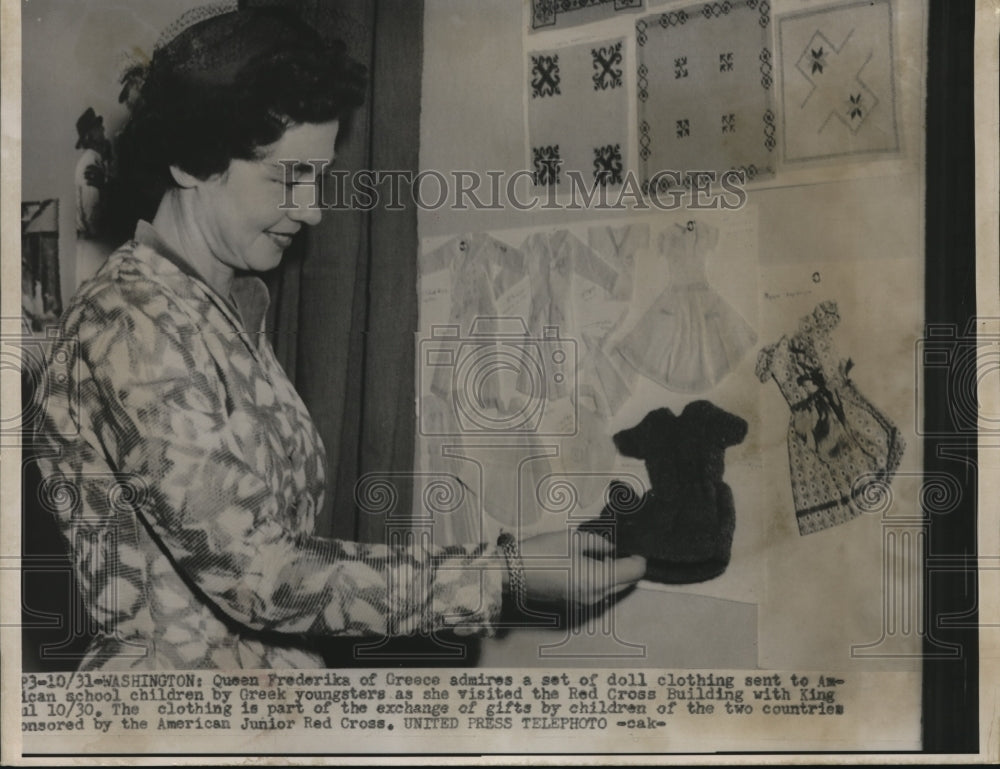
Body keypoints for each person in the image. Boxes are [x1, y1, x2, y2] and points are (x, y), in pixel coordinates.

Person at [35, 6, 645, 671]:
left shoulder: (222, 307)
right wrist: (503, 575)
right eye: (286, 176)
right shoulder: (130, 321)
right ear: (190, 162)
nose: (313, 207)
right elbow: (263, 577)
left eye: (318, 174)